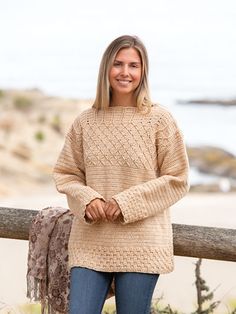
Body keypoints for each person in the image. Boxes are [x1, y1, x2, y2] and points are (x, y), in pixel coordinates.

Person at [53, 35, 189, 314]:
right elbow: (66, 173)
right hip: (90, 242)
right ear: (106, 68)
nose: (125, 72)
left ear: (143, 72)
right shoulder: (85, 121)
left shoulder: (159, 120)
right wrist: (88, 199)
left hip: (142, 243)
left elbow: (178, 179)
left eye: (133, 65)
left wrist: (125, 203)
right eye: (118, 64)